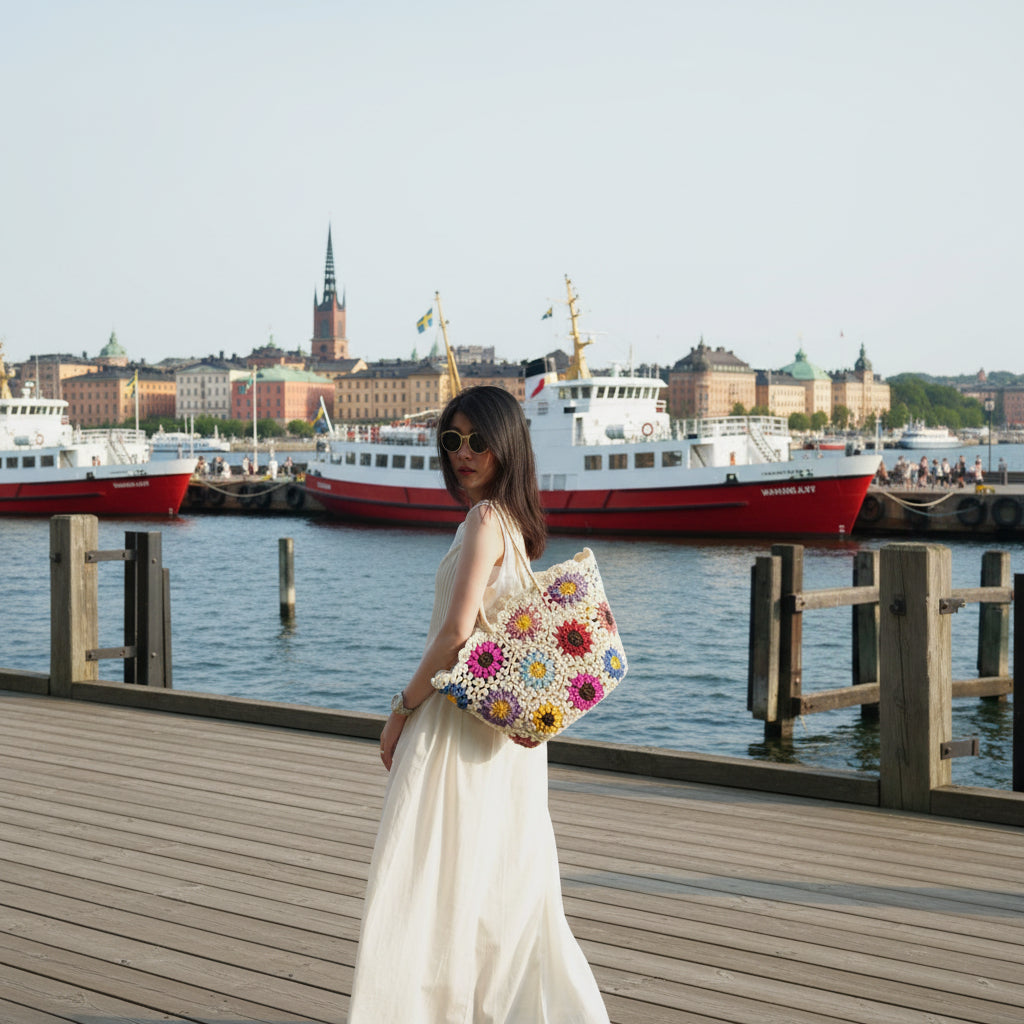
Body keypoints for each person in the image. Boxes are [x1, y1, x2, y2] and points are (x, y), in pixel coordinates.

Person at [348, 385, 609, 1023]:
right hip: (503, 742)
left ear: (507, 446)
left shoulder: (485, 521)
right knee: (501, 888)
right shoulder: (516, 527)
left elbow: (456, 633)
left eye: (478, 441)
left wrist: (400, 708)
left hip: (455, 728)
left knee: (429, 883)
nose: (463, 453)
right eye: (451, 440)